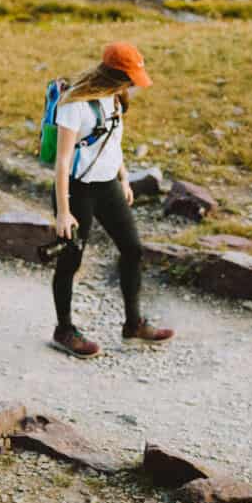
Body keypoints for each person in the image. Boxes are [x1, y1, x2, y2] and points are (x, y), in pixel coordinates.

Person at [51, 41, 174, 358]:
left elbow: (112, 140)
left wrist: (123, 176)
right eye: (130, 78)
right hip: (77, 190)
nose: (134, 84)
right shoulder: (74, 104)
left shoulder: (116, 98)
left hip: (108, 187)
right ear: (114, 74)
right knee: (71, 260)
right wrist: (64, 212)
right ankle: (64, 329)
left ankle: (133, 324)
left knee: (132, 250)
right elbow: (63, 162)